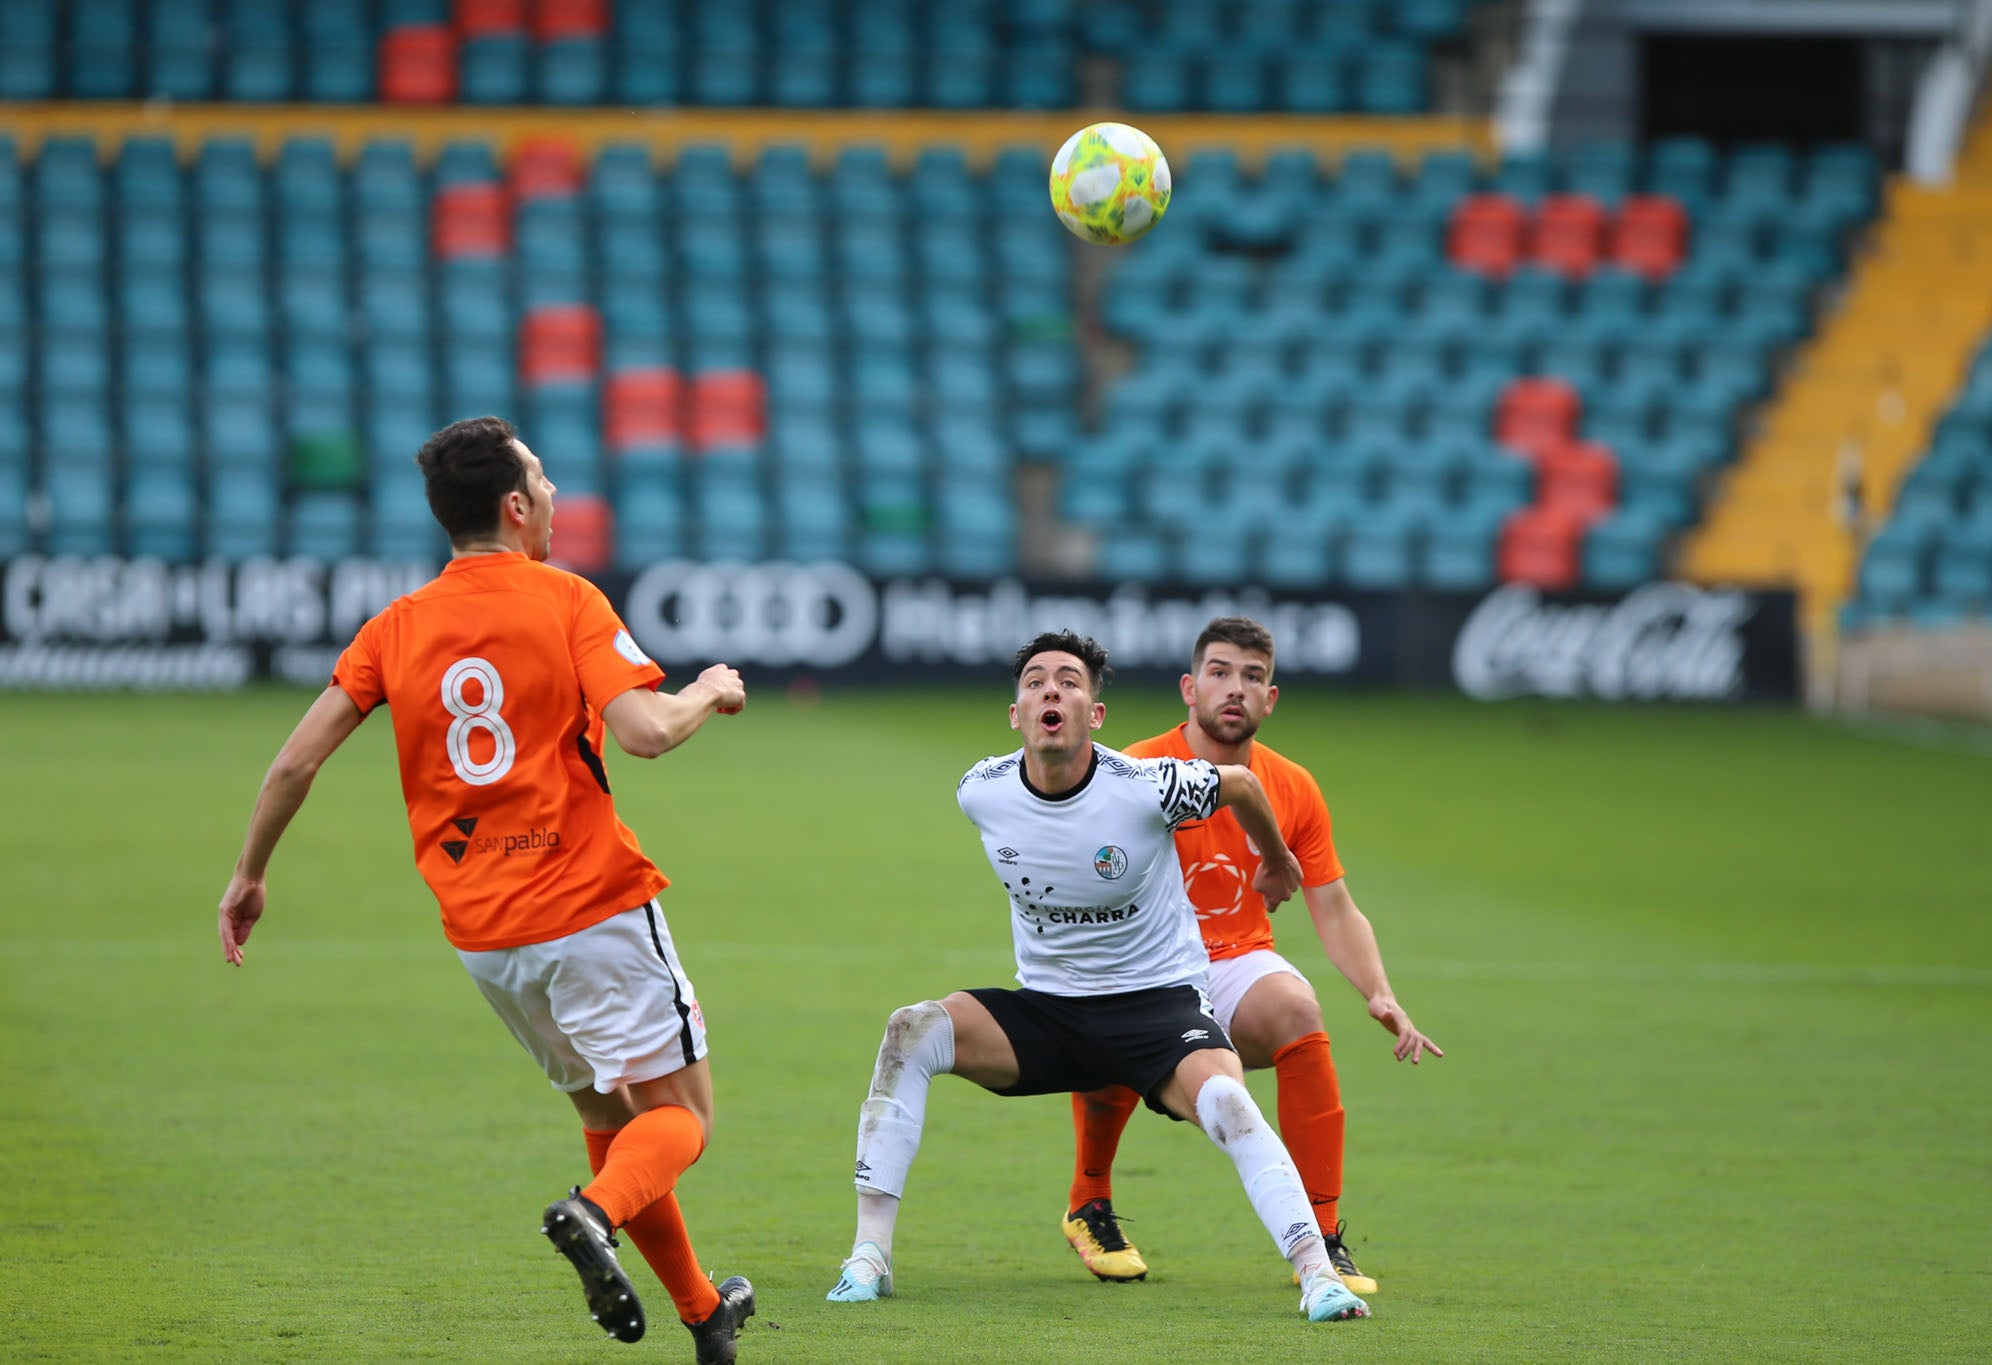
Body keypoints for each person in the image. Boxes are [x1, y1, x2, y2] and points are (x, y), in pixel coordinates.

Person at [214, 417, 757, 1364]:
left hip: (486, 938)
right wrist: (709, 689)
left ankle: (704, 1313)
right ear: (515, 506)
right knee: (682, 1119)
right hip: (591, 905)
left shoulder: (396, 626)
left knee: (602, 1111)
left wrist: (249, 872)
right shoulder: (566, 599)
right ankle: (592, 1213)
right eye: (543, 479)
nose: (553, 493)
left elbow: (296, 762)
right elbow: (643, 731)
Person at [825, 629, 1372, 1324]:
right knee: (913, 1027)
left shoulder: (1145, 785)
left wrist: (1277, 858)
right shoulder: (980, 790)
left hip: (1157, 1011)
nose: (1051, 689)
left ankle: (1317, 1274)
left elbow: (1239, 781)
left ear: (1096, 713)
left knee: (1230, 1104)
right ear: (1017, 713)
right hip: (1051, 1014)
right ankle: (868, 1257)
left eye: (1070, 681)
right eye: (1035, 681)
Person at [1059, 616, 1442, 1298]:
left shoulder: (1293, 786)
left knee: (1298, 1009)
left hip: (1234, 959)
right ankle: (1090, 1201)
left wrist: (1378, 990)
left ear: (1271, 699)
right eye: (1220, 672)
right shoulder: (1136, 766)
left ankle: (1322, 1236)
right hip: (1144, 962)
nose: (1235, 688)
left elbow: (1334, 904)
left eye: (1252, 676)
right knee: (1109, 1007)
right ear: (1189, 687)